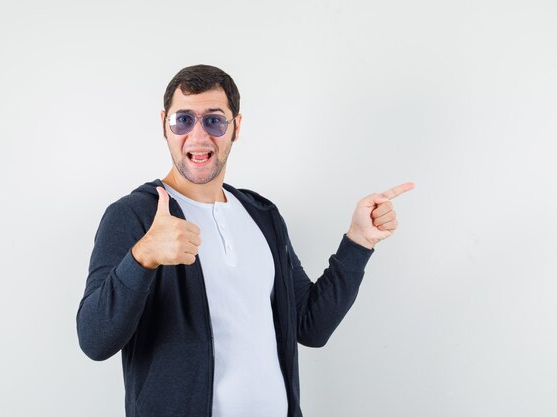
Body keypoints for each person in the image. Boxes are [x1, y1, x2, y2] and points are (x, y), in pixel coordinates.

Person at [76, 64, 414, 417]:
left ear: (236, 127)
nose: (198, 136)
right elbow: (94, 340)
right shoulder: (133, 215)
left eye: (214, 121)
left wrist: (358, 242)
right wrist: (142, 257)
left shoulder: (261, 215)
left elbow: (310, 326)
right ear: (164, 124)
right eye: (183, 120)